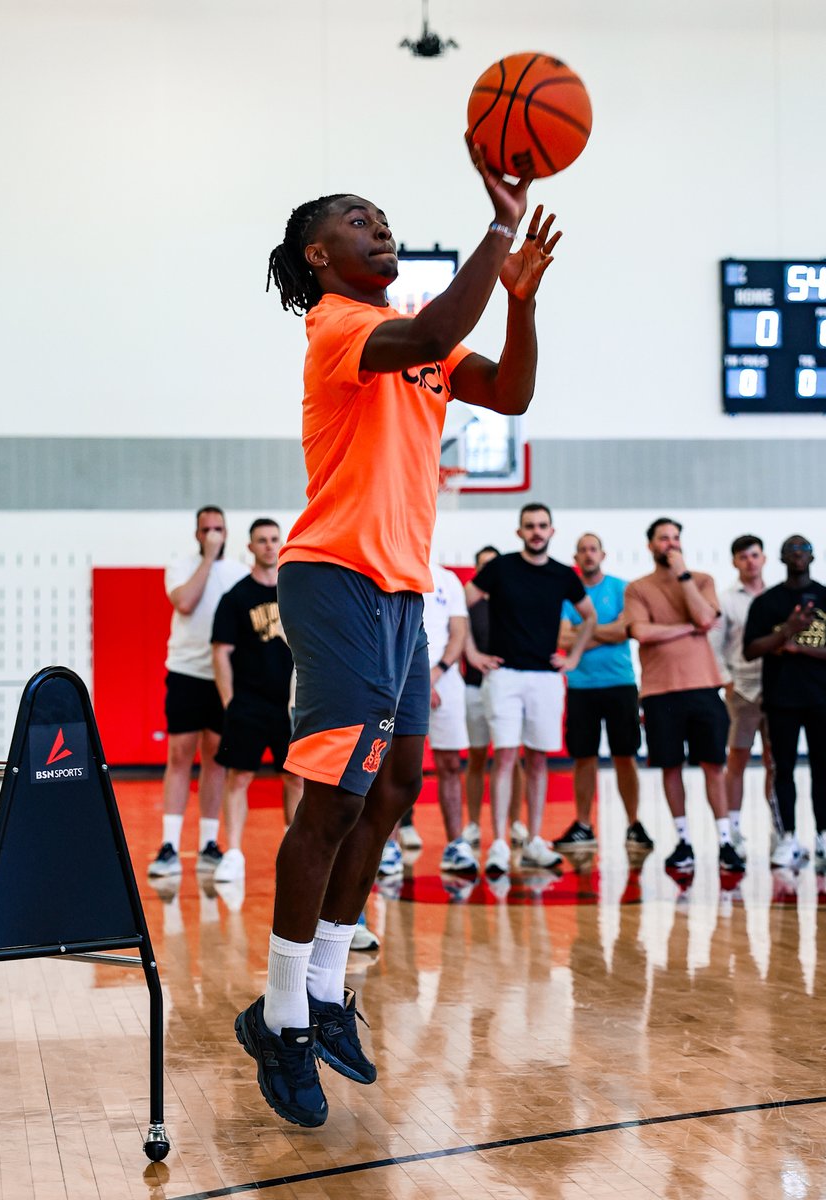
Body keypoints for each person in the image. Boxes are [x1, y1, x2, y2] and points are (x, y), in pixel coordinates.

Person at [233, 151, 563, 1128]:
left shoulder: (416, 345)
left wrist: (522, 302)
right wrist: (498, 228)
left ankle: (328, 990)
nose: (380, 230)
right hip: (332, 575)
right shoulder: (341, 328)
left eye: (384, 218)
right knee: (332, 801)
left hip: (404, 591)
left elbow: (508, 393)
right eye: (360, 221)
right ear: (318, 254)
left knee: (392, 787)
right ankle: (282, 1017)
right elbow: (431, 325)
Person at [466, 502, 597, 878]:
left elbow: (589, 617)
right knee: (505, 756)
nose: (536, 531)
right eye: (529, 526)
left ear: (552, 531)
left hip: (545, 677)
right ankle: (499, 843)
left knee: (538, 760)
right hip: (504, 674)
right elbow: (463, 602)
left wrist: (571, 659)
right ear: (519, 531)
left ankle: (535, 840)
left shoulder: (563, 575)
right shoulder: (500, 568)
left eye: (542, 525)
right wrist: (472, 652)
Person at [623, 517, 745, 875]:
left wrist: (683, 576)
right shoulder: (638, 588)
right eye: (664, 539)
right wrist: (686, 629)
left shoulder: (702, 580)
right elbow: (641, 632)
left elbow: (705, 618)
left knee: (712, 765)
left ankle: (724, 841)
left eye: (675, 538)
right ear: (651, 545)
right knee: (671, 767)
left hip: (704, 687)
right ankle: (683, 840)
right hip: (660, 691)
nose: (670, 544)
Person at [743, 534, 826, 870]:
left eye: (803, 549)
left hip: (823, 698)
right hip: (781, 699)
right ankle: (787, 836)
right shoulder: (767, 602)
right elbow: (751, 650)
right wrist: (785, 631)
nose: (797, 555)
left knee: (824, 769)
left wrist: (800, 647)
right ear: (781, 557)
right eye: (791, 550)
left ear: (812, 556)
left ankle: (825, 835)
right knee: (783, 770)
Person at [148, 506, 248, 879]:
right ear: (196, 533)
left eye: (218, 529)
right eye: (206, 529)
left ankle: (209, 842)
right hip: (186, 672)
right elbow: (185, 602)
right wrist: (206, 560)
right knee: (179, 755)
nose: (213, 535)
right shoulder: (181, 565)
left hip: (224, 678)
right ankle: (170, 844)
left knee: (217, 760)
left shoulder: (239, 573)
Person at [210, 519, 303, 884]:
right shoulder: (236, 597)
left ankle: (294, 848)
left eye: (274, 540)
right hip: (248, 701)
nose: (268, 546)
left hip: (291, 704)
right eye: (261, 540)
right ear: (250, 547)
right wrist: (230, 701)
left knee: (296, 778)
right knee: (240, 776)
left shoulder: (295, 593)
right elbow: (221, 653)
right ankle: (233, 852)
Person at [552, 532, 651, 854]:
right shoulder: (569, 595)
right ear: (576, 558)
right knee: (584, 758)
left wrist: (584, 632)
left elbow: (627, 629)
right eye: (582, 550)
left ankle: (634, 824)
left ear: (602, 554)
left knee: (626, 756)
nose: (588, 554)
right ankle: (583, 825)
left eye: (593, 549)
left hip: (620, 684)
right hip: (582, 686)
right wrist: (605, 631)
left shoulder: (621, 588)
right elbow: (564, 642)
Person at [708, 534, 774, 854]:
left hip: (777, 690)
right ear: (735, 561)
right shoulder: (726, 600)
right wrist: (726, 681)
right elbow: (715, 647)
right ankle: (733, 830)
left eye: (755, 555)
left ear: (764, 558)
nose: (750, 561)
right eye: (743, 557)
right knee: (737, 760)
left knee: (776, 762)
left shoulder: (777, 598)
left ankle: (779, 828)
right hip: (742, 690)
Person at [461, 545, 525, 848]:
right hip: (474, 687)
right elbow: (455, 637)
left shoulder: (512, 601)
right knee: (476, 759)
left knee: (512, 760)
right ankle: (473, 823)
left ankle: (515, 823)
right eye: (483, 566)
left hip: (509, 687)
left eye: (493, 565)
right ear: (476, 571)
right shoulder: (466, 604)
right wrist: (473, 657)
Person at [421, 560, 478, 874]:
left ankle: (456, 844)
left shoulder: (448, 579)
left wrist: (435, 674)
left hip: (445, 679)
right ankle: (388, 846)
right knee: (391, 765)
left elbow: (458, 633)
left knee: (450, 763)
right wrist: (417, 681)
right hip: (400, 681)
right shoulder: (392, 570)